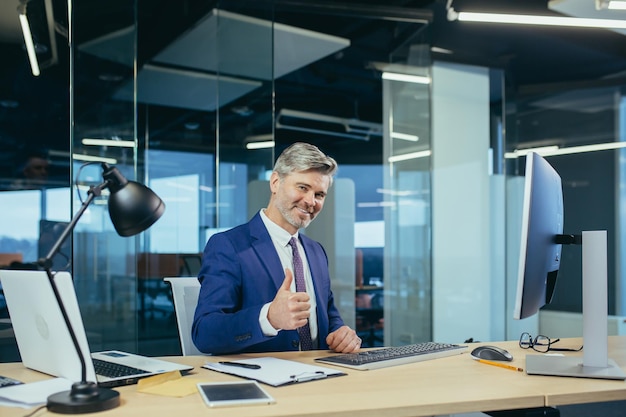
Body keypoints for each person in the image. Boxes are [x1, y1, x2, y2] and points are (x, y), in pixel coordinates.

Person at [192, 142, 362, 354]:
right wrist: (269, 317)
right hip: (261, 381)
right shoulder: (228, 246)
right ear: (275, 182)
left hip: (320, 376)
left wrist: (341, 333)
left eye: (319, 194)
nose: (310, 201)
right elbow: (205, 334)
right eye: (302, 187)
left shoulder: (316, 251)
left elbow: (328, 313)